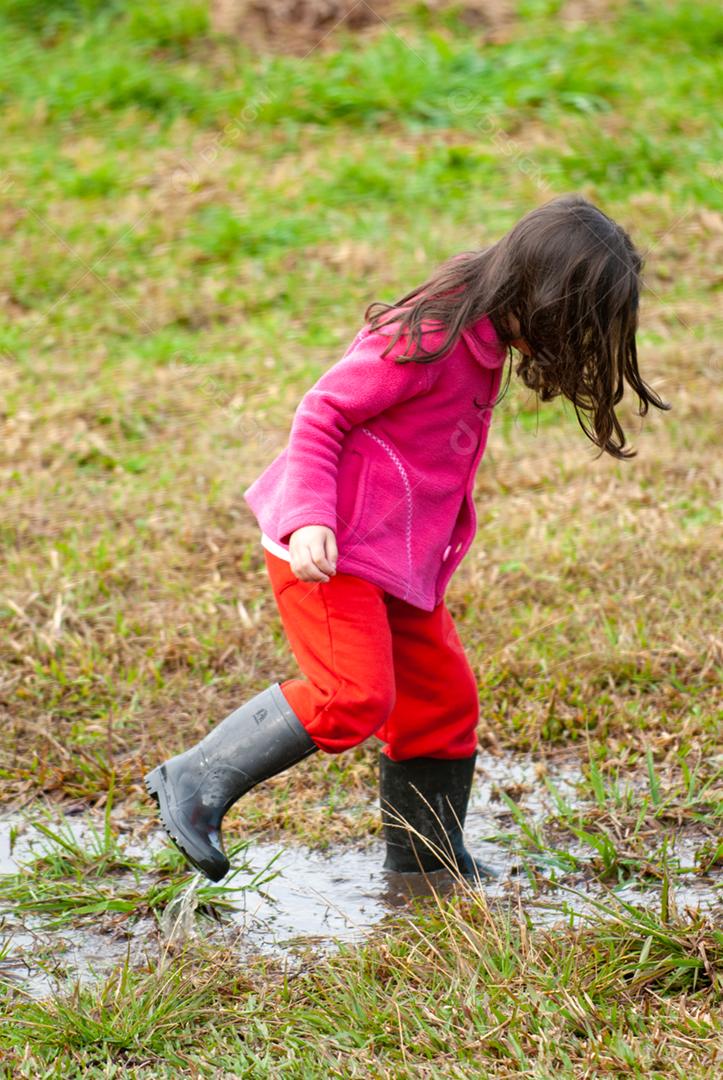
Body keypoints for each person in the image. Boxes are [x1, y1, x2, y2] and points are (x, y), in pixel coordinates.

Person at [145, 194, 669, 883]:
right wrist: (310, 517)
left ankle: (424, 864)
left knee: (441, 705)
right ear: (539, 298)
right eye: (572, 325)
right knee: (351, 697)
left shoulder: (484, 330)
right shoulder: (430, 335)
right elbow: (322, 412)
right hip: (327, 551)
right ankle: (193, 779)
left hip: (394, 562)